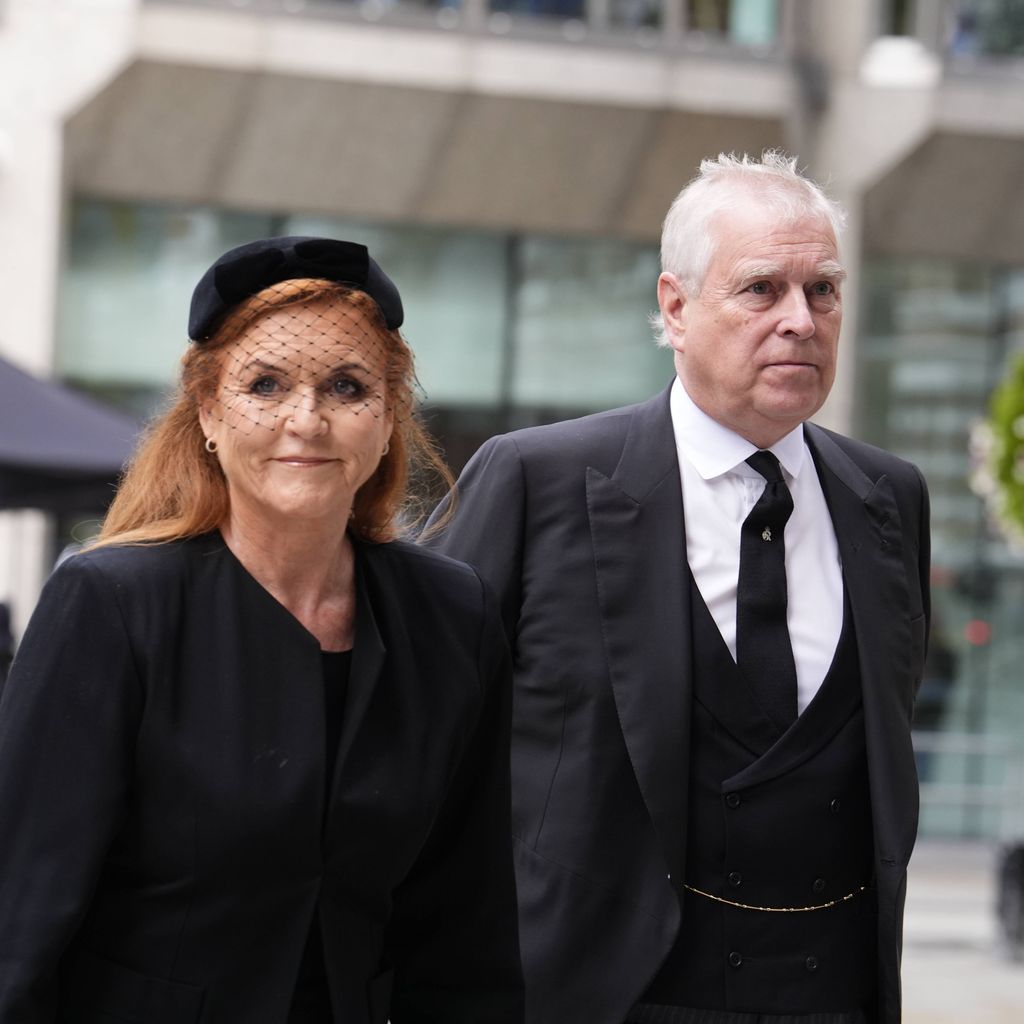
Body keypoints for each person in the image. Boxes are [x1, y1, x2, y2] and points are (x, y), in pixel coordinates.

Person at [423, 153, 930, 1024]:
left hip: (833, 993)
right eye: (762, 289)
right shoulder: (537, 481)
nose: (800, 322)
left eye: (824, 291)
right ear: (675, 307)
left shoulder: (891, 498)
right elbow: (425, 744)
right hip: (598, 993)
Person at [0, 236, 523, 1023]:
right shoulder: (111, 602)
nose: (305, 419)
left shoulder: (454, 616)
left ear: (388, 421)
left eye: (347, 387)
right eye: (266, 384)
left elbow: (466, 922)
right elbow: (20, 914)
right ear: (209, 412)